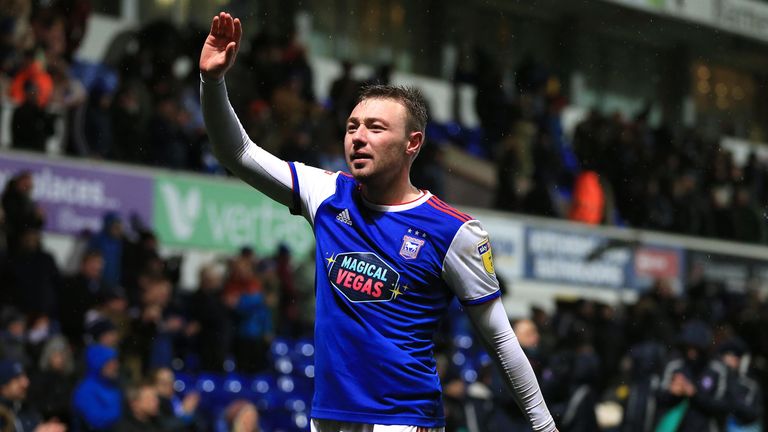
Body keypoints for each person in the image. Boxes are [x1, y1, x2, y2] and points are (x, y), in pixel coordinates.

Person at [199, 12, 556, 431]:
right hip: (330, 418)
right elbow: (237, 154)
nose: (358, 136)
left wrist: (545, 428)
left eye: (375, 127)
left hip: (404, 422)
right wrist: (212, 82)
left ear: (412, 143)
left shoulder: (453, 232)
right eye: (352, 126)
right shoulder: (327, 194)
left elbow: (500, 341)